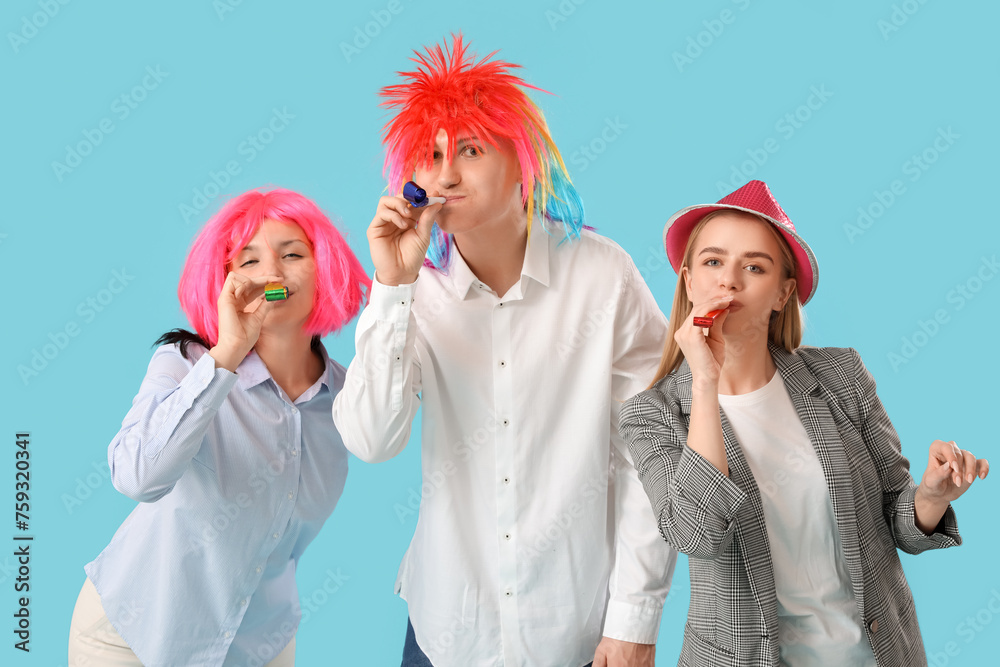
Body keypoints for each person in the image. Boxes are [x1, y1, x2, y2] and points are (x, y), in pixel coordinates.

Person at [332, 35, 676, 667]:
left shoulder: (604, 276)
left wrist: (635, 618)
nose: (446, 174)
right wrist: (392, 286)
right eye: (431, 154)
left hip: (576, 632)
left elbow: (650, 457)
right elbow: (372, 439)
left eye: (469, 149)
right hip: (448, 631)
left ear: (522, 161)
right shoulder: (415, 293)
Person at [619, 179, 989, 666]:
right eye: (713, 262)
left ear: (782, 293)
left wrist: (932, 496)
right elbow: (697, 534)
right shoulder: (652, 415)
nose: (729, 281)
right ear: (689, 283)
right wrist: (705, 382)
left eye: (754, 267)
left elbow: (900, 525)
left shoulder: (842, 377)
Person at [68, 188, 370, 667]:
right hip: (133, 638)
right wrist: (226, 354)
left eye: (292, 254)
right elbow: (136, 477)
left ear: (326, 270)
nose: (271, 273)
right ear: (226, 282)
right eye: (248, 262)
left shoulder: (350, 401)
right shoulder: (184, 364)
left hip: (256, 645)